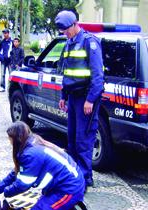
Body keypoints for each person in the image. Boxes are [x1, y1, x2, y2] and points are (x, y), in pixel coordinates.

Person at [0, 121, 91, 210]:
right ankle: (67, 208)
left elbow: (22, 184)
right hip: (61, 186)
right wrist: (1, 186)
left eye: (10, 139)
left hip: (68, 190)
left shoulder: (30, 154)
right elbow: (17, 171)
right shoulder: (32, 141)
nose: (9, 142)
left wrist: (4, 194)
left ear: (17, 139)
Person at [56, 10, 104, 190]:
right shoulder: (69, 43)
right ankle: (76, 175)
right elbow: (68, 73)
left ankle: (85, 178)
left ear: (75, 24)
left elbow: (98, 76)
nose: (65, 33)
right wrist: (64, 95)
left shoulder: (90, 42)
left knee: (83, 140)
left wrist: (90, 100)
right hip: (74, 97)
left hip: (86, 97)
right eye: (62, 31)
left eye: (66, 30)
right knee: (72, 139)